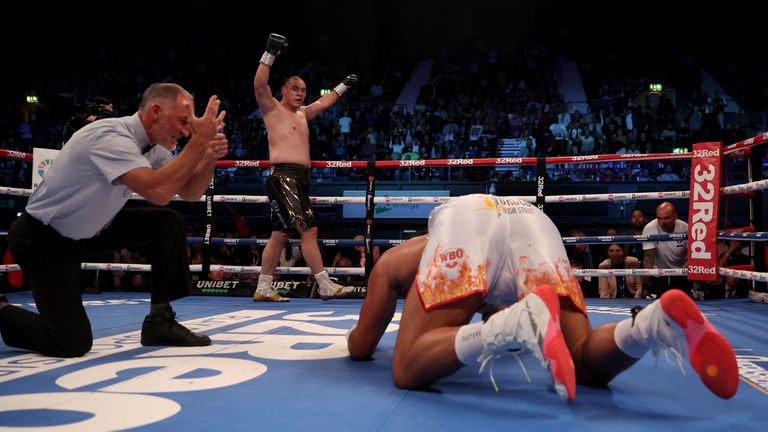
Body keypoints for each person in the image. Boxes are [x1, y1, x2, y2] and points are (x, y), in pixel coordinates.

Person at [347, 194, 738, 401]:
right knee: (583, 359)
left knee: (407, 366)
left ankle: (514, 323)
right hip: (534, 221)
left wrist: (356, 337)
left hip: (467, 220)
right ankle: (650, 324)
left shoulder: (401, 258)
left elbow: (362, 346)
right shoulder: (438, 246)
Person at [0, 83, 227, 357]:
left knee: (168, 222)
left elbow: (190, 191)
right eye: (182, 121)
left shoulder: (152, 148)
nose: (186, 130)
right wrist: (198, 142)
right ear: (156, 111)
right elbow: (158, 191)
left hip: (89, 232)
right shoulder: (110, 135)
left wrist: (209, 155)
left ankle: (160, 321)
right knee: (71, 343)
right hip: (44, 240)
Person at [252, 33, 358, 302]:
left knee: (279, 235)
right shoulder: (273, 109)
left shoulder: (303, 113)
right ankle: (324, 284)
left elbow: (324, 102)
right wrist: (270, 54)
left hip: (297, 178)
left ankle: (263, 287)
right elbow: (259, 84)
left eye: (303, 90)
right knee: (308, 230)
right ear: (284, 91)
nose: (301, 94)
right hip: (284, 177)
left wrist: (343, 86)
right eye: (295, 89)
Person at [642, 202, 690, 297]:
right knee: (657, 306)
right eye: (659, 218)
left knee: (681, 306)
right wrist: (646, 282)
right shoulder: (650, 228)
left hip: (681, 273)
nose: (662, 223)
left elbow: (692, 255)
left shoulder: (685, 228)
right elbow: (648, 258)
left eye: (666, 218)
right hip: (659, 274)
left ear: (675, 216)